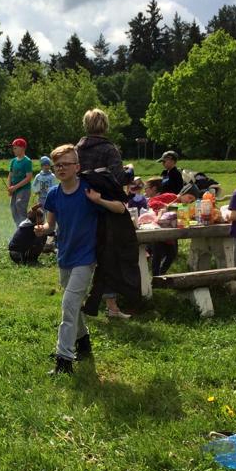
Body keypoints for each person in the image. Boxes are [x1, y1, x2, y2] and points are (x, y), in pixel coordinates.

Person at [36, 144, 128, 375]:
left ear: (77, 167)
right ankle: (84, 342)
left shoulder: (89, 190)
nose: (60, 168)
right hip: (64, 256)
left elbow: (120, 208)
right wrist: (42, 229)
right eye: (57, 165)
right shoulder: (54, 194)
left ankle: (64, 359)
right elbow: (50, 225)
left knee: (68, 305)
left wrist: (99, 201)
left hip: (86, 258)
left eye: (66, 164)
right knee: (73, 307)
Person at [76, 107, 137, 317]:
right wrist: (130, 170)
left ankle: (84, 299)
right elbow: (120, 178)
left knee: (89, 256)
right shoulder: (109, 149)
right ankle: (111, 306)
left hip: (84, 205)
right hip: (106, 207)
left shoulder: (78, 148)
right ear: (105, 125)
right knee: (110, 255)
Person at [7, 138, 33, 226]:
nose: (13, 150)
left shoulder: (27, 161)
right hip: (14, 189)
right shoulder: (13, 161)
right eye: (13, 148)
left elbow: (29, 178)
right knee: (13, 208)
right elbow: (10, 175)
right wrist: (9, 188)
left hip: (24, 189)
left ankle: (25, 229)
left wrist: (15, 187)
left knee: (20, 206)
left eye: (15, 148)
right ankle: (19, 228)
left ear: (22, 148)